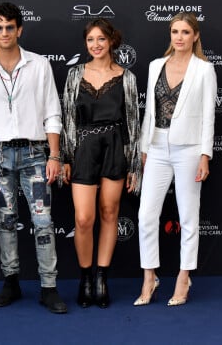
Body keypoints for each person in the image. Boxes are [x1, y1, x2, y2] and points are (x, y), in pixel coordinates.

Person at [0, 2, 67, 314]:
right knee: (6, 221)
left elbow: (53, 112)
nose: (4, 33)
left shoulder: (39, 65)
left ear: (19, 29)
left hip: (36, 154)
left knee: (42, 221)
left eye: (9, 27)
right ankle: (11, 281)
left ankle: (48, 287)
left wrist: (55, 155)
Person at [135, 12, 217, 307]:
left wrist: (205, 155)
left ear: (195, 36)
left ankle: (184, 277)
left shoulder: (204, 70)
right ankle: (149, 276)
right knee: (146, 215)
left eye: (185, 32)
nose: (179, 37)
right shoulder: (156, 65)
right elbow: (149, 111)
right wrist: (144, 147)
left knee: (188, 217)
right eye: (174, 31)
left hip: (189, 149)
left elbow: (209, 115)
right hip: (156, 146)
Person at [61, 18, 142, 308]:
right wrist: (65, 158)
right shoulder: (74, 75)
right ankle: (85, 276)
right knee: (83, 218)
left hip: (115, 146)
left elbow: (133, 122)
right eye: (90, 40)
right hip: (82, 148)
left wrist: (135, 166)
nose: (95, 45)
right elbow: (67, 117)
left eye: (101, 39)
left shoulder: (127, 78)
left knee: (110, 212)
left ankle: (101, 278)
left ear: (111, 42)